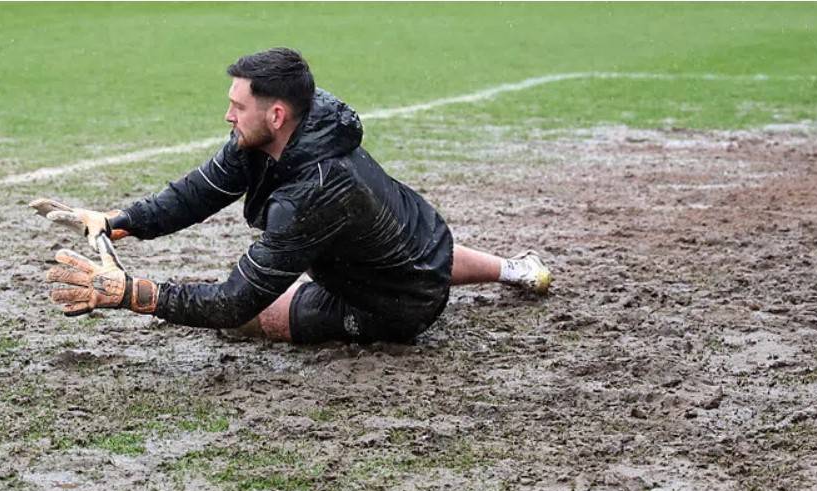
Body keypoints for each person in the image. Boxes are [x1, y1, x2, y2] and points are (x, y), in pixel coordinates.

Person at [31, 47, 550, 344]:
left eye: (238, 106)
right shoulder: (292, 124)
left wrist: (132, 294)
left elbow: (235, 301)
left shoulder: (314, 194)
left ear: (275, 114)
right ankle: (512, 269)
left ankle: (483, 279)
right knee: (401, 252)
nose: (228, 116)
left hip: (393, 304)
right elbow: (199, 192)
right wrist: (118, 221)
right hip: (422, 239)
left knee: (247, 323)